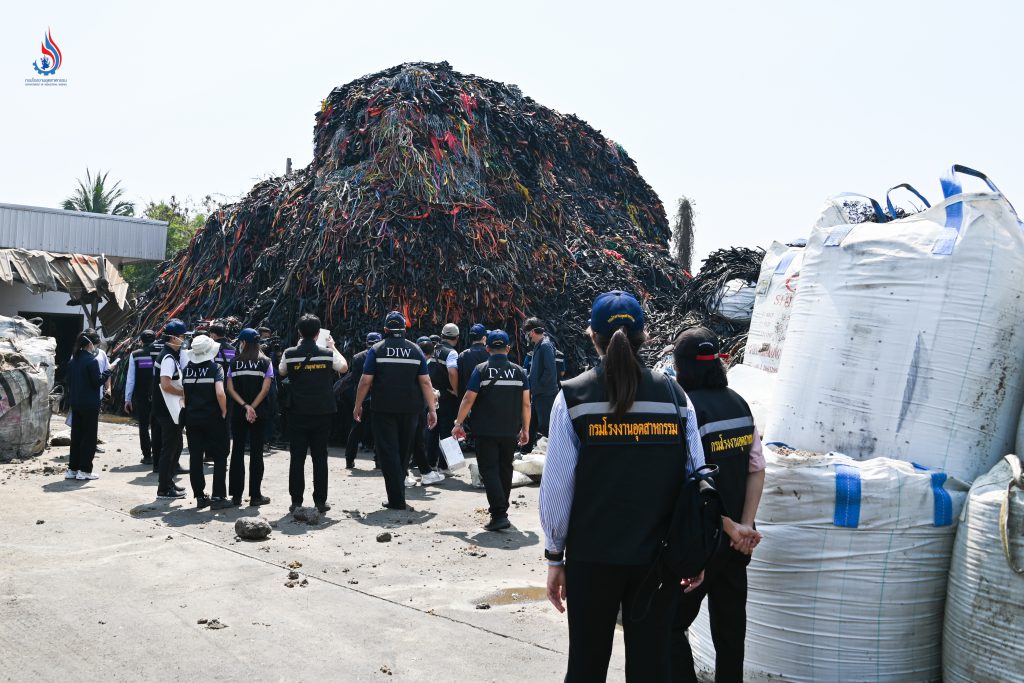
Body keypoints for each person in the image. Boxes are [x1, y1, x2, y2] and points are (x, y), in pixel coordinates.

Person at [538, 291, 758, 682]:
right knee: (651, 669)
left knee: (586, 666)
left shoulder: (571, 398)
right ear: (645, 338)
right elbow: (698, 480)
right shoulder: (676, 398)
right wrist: (700, 551)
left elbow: (557, 490)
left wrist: (556, 558)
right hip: (659, 562)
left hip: (593, 561)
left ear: (592, 335)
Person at [670, 328, 765, 683]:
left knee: (669, 625)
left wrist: (729, 526)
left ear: (681, 367)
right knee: (730, 635)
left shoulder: (686, 408)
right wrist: (746, 525)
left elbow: (691, 480)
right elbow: (757, 469)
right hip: (737, 546)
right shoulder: (740, 403)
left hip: (703, 542)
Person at [353, 311, 437, 510]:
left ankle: (396, 499)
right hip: (411, 409)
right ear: (404, 329)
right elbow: (425, 381)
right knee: (403, 450)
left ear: (385, 330)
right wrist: (432, 409)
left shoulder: (377, 349)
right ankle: (398, 496)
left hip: (383, 408)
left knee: (388, 451)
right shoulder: (416, 350)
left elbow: (366, 380)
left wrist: (357, 405)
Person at [452, 330, 530, 531]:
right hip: (510, 430)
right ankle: (501, 510)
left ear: (488, 349)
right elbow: (526, 404)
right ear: (508, 348)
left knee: (489, 470)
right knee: (505, 469)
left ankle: (499, 513)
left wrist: (458, 423)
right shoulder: (520, 372)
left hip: (485, 430)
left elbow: (469, 398)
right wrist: (525, 429)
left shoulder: (481, 369)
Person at [278, 314, 347, 514]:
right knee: (320, 457)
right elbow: (343, 367)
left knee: (297, 457)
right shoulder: (326, 353)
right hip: (322, 411)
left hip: (297, 411)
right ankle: (320, 501)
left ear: (299, 332)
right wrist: (332, 346)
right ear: (318, 334)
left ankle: (296, 501)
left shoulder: (289, 353)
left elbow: (282, 372)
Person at [181, 335, 232, 509]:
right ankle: (218, 497)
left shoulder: (187, 369)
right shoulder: (215, 368)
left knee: (195, 457)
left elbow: (184, 395)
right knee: (219, 456)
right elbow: (220, 393)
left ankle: (200, 497)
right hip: (213, 418)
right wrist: (224, 411)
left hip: (192, 419)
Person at [226, 328, 274, 506]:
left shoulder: (234, 363)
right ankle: (255, 496)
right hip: (259, 413)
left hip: (239, 413)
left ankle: (236, 496)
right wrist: (253, 408)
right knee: (256, 454)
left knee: (237, 451)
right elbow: (266, 389)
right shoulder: (266, 362)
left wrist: (245, 406)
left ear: (243, 343)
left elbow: (230, 389)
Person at [65, 334, 113, 481]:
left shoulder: (73, 361)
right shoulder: (91, 361)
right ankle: (85, 470)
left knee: (76, 437)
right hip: (90, 404)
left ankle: (72, 469)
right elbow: (97, 382)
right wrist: (109, 370)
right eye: (95, 345)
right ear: (90, 345)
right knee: (89, 438)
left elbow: (69, 382)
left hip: (76, 402)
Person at [154, 319, 189, 500]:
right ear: (174, 338)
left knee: (173, 448)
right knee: (169, 449)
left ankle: (168, 482)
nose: (184, 340)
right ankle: (163, 488)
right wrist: (185, 392)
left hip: (169, 409)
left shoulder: (170, 355)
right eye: (182, 337)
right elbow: (166, 385)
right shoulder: (167, 358)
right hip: (168, 410)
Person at [341, 332, 382, 468]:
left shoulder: (357, 357)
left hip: (361, 397)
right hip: (378, 398)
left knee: (356, 429)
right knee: (379, 430)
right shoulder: (382, 356)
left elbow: (356, 380)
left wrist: (358, 403)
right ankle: (379, 461)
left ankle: (349, 458)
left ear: (366, 342)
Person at [425, 323, 461, 475]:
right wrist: (456, 390)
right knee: (447, 430)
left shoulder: (432, 350)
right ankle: (444, 467)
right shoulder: (451, 353)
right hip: (446, 395)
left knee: (432, 429)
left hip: (431, 394)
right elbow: (452, 372)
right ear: (457, 338)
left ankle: (431, 464)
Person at [409, 336, 444, 486]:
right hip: (415, 406)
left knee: (414, 440)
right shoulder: (420, 361)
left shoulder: (410, 358)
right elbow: (424, 382)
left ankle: (425, 471)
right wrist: (432, 404)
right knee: (413, 439)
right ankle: (419, 472)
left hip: (408, 405)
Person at [524, 317, 559, 448]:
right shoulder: (539, 345)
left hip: (545, 394)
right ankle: (525, 450)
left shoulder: (545, 345)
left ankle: (552, 453)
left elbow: (550, 371)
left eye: (527, 333)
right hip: (538, 393)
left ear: (532, 332)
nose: (527, 336)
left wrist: (537, 386)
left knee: (545, 426)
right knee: (531, 423)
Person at [125, 330, 158, 465]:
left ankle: (147, 456)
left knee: (143, 425)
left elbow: (131, 379)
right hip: (159, 394)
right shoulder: (162, 353)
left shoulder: (136, 354)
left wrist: (127, 398)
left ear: (141, 341)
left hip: (141, 394)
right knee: (157, 424)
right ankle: (158, 453)